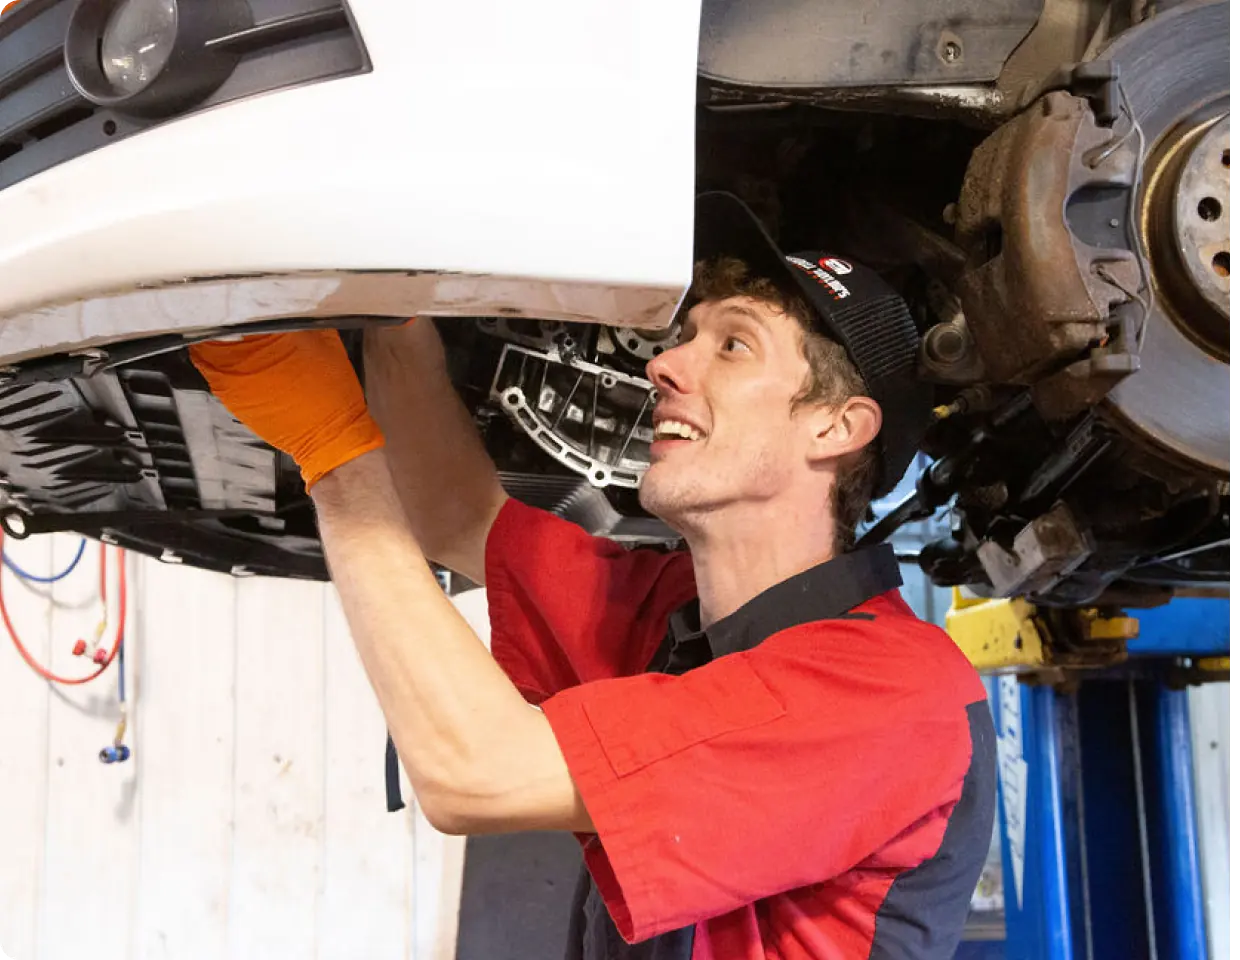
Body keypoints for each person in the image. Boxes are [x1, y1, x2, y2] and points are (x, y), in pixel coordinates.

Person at [190, 192, 997, 959]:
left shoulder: (897, 694)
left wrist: (335, 455)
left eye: (733, 344)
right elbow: (460, 516)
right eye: (686, 336)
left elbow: (472, 773)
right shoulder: (674, 619)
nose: (666, 365)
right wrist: (399, 296)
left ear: (835, 427)